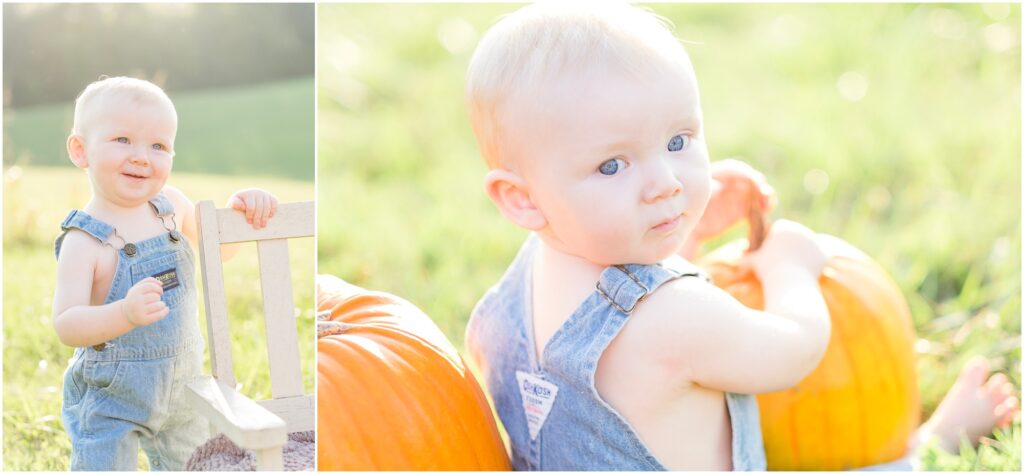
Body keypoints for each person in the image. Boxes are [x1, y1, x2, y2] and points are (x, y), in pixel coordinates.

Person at [462, 2, 1017, 470]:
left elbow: (614, 323)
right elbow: (793, 350)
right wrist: (790, 270)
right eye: (613, 165)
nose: (665, 185)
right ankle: (929, 447)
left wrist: (689, 231)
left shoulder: (534, 274)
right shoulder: (677, 316)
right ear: (522, 197)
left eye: (678, 141)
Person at [52, 76, 279, 471]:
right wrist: (123, 313)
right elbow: (67, 324)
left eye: (158, 146)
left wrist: (241, 210)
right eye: (122, 140)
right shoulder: (85, 240)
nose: (142, 156)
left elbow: (220, 252)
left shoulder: (170, 205)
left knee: (195, 465)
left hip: (184, 392)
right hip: (112, 398)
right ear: (80, 149)